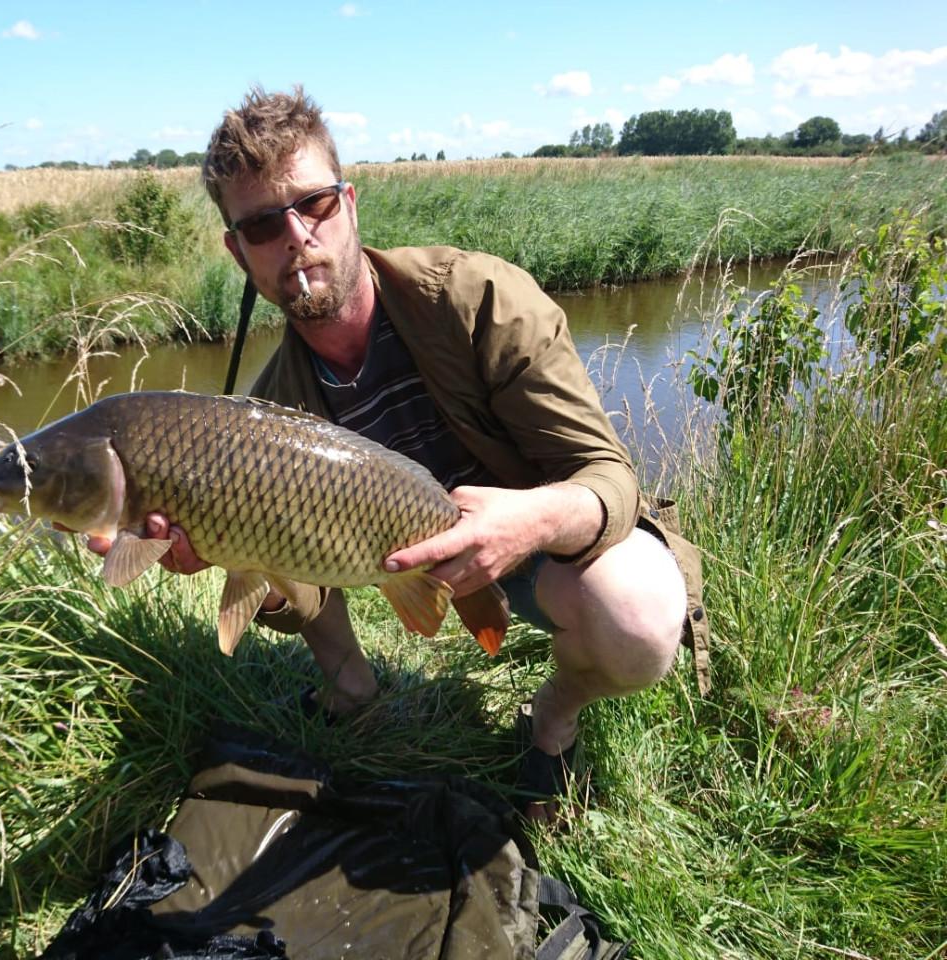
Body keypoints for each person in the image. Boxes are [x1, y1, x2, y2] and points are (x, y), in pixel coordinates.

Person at [89, 86, 708, 821]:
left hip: (528, 531)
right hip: (383, 554)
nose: (294, 236)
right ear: (237, 250)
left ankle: (554, 721)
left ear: (348, 204)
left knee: (640, 615)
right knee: (268, 534)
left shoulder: (480, 298)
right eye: (260, 224)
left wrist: (530, 524)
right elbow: (300, 591)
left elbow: (610, 479)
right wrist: (233, 552)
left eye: (312, 204)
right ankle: (354, 694)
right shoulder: (265, 412)